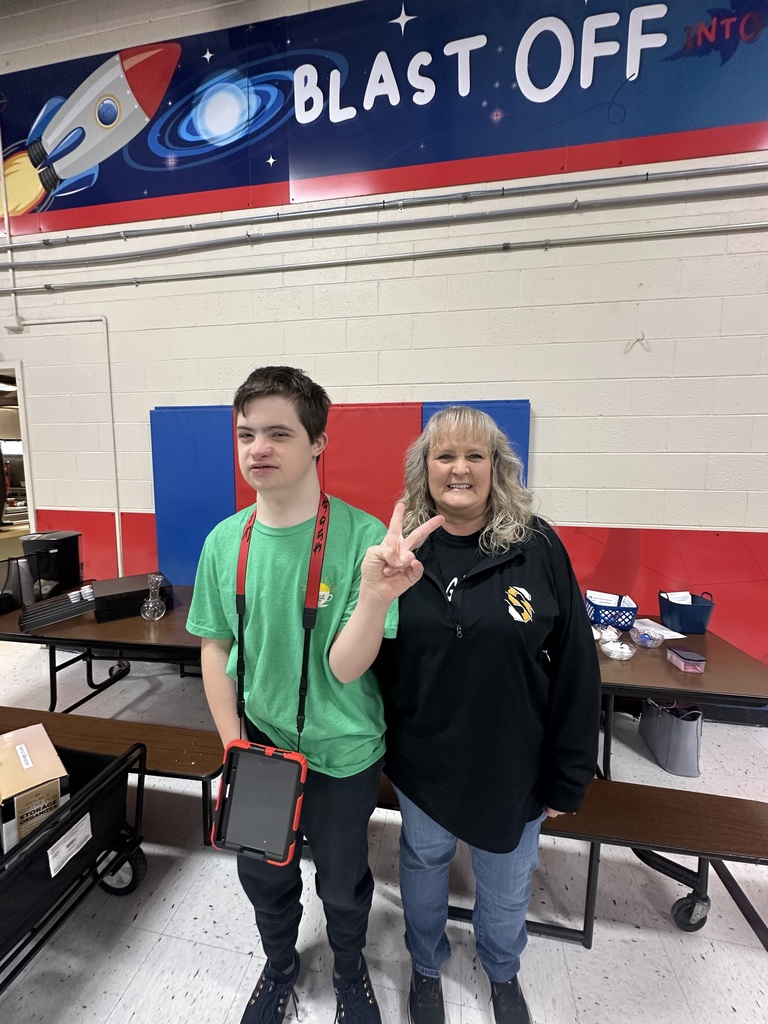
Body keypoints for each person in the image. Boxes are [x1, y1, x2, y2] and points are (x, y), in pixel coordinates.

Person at [186, 365, 441, 1024]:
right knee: (264, 875)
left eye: (278, 433)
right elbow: (215, 648)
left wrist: (378, 595)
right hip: (260, 746)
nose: (257, 449)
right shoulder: (226, 541)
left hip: (343, 750)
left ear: (318, 442)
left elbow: (347, 666)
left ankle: (350, 969)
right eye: (247, 434)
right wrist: (233, 744)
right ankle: (279, 967)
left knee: (343, 880)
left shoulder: (360, 541)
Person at [377, 405, 601, 1024]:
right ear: (424, 470)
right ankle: (425, 966)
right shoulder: (399, 555)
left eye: (474, 455)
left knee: (506, 885)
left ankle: (502, 971)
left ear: (496, 468)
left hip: (514, 765)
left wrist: (569, 772)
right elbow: (374, 662)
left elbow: (576, 666)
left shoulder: (538, 545)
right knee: (423, 865)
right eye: (444, 455)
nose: (459, 468)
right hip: (426, 759)